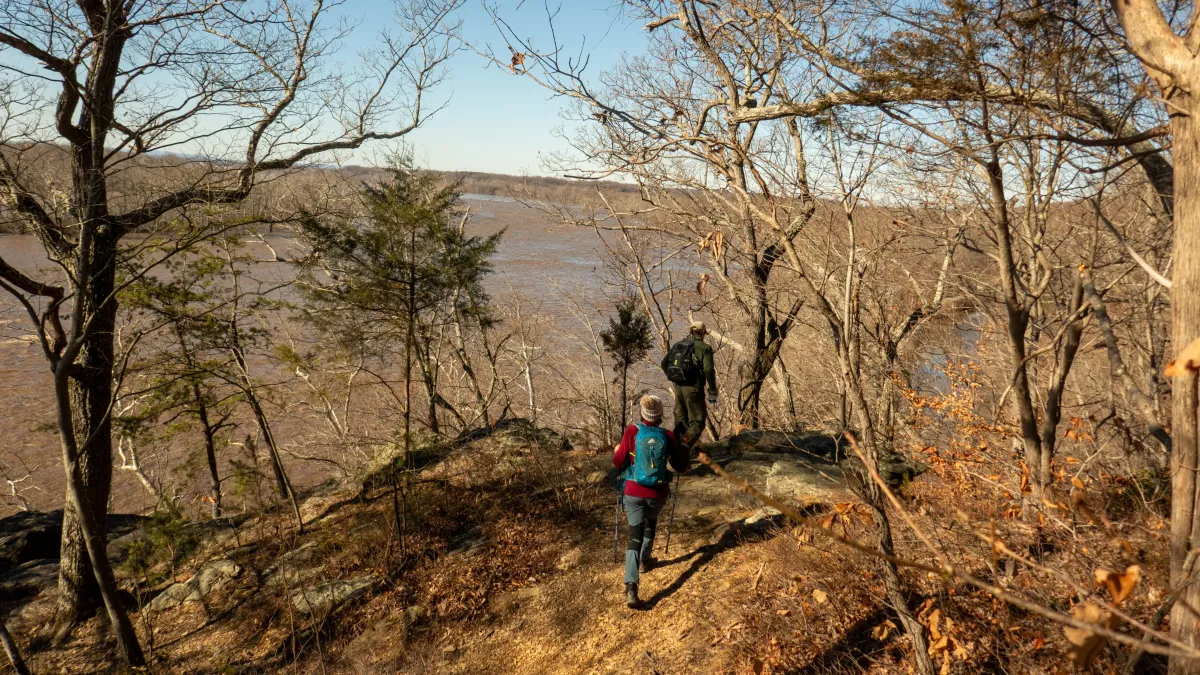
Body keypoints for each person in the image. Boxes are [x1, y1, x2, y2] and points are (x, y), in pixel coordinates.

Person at [612, 395, 689, 608]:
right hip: (658, 493)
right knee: (651, 524)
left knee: (634, 537)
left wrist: (619, 452)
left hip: (634, 492)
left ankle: (631, 587)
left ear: (642, 413)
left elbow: (619, 462)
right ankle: (645, 560)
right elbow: (681, 465)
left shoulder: (632, 432)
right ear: (661, 415)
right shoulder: (667, 436)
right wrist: (681, 442)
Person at [661, 321, 718, 448]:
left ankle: (672, 450)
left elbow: (664, 363)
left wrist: (675, 379)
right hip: (693, 389)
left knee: (681, 423)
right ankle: (682, 448)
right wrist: (713, 389)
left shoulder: (678, 345)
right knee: (698, 422)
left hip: (678, 388)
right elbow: (708, 370)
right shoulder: (705, 348)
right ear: (703, 333)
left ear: (691, 331)